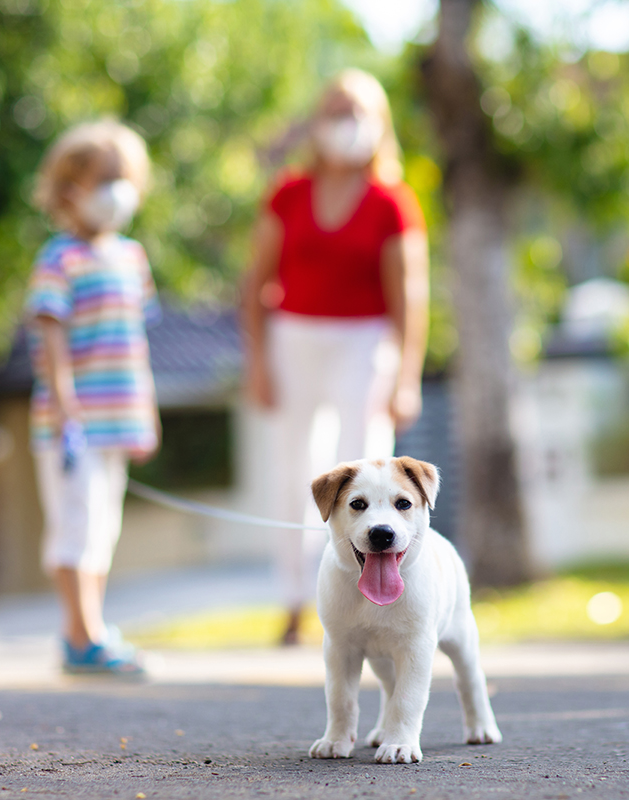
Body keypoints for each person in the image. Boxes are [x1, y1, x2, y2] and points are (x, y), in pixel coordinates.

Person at [241, 69, 431, 645]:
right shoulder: (288, 193)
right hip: (292, 339)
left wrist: (408, 375)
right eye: (336, 111)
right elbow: (255, 282)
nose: (346, 124)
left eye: (358, 113)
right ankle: (295, 602)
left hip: (364, 343)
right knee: (292, 473)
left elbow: (410, 297)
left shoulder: (392, 202)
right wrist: (257, 361)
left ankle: (368, 598)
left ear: (380, 125)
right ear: (317, 121)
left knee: (363, 471)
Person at [26, 119, 161, 674]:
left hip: (119, 421)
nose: (117, 190)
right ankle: (83, 635)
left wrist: (145, 415)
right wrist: (65, 404)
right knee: (76, 527)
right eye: (104, 177)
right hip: (73, 426)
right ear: (68, 190)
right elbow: (50, 336)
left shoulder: (132, 258)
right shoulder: (59, 259)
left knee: (103, 530)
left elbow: (136, 342)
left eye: (124, 178)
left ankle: (86, 630)